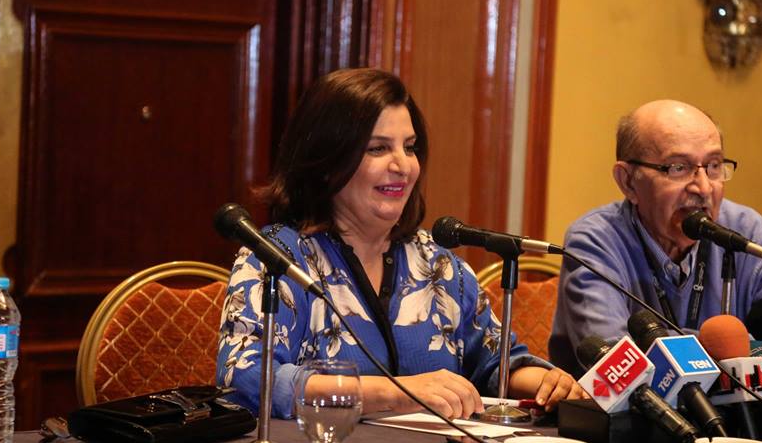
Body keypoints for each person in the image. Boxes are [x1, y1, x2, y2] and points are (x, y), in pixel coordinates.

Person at [217, 68, 585, 418]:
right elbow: (245, 379)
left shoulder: (438, 266)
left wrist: (547, 383)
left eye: (409, 148)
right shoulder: (277, 259)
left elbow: (495, 363)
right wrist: (393, 393)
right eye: (378, 149)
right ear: (327, 163)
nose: (403, 166)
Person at [549, 99, 762, 377]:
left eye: (714, 166)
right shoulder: (595, 241)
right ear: (628, 182)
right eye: (678, 167)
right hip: (633, 405)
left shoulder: (748, 233)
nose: (703, 188)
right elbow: (618, 365)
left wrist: (669, 346)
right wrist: (730, 348)